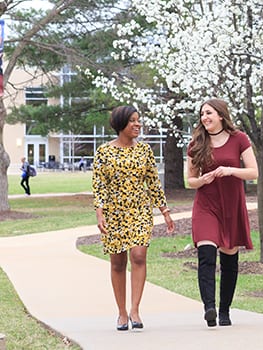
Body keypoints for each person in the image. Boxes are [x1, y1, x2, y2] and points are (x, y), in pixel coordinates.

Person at [92, 105, 175, 331]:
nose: (138, 124)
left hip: (139, 210)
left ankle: (135, 310)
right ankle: (121, 313)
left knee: (138, 255)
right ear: (121, 124)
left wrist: (164, 211)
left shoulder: (145, 151)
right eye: (133, 121)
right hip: (114, 213)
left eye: (138, 120)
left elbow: (153, 183)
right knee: (118, 262)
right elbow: (99, 184)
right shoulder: (103, 152)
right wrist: (99, 212)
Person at [186, 98, 258, 327]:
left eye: (208, 113)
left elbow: (253, 172)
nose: (204, 118)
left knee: (229, 258)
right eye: (201, 114)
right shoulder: (197, 143)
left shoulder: (239, 139)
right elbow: (189, 181)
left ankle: (225, 310)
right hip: (206, 205)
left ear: (220, 115)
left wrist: (230, 170)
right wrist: (201, 180)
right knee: (206, 254)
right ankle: (210, 308)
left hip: (231, 205)